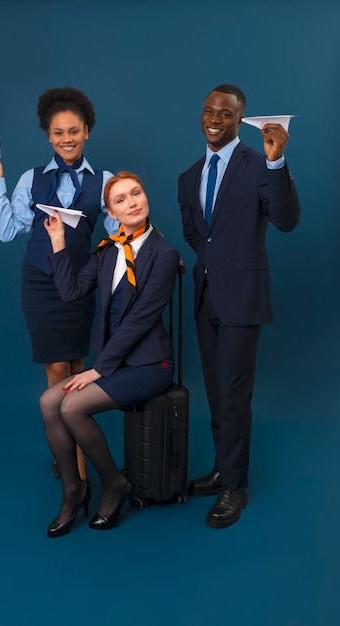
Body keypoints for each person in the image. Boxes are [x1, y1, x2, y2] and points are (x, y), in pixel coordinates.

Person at [177, 83, 300, 529]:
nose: (215, 119)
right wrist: (214, 264)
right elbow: (195, 235)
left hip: (243, 299)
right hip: (205, 296)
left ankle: (236, 487)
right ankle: (221, 469)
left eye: (225, 114)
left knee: (233, 394)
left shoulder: (259, 163)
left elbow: (286, 220)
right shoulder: (188, 177)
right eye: (209, 110)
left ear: (239, 119)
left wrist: (276, 161)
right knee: (215, 392)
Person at [0, 86, 118, 480]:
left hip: (79, 284)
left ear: (87, 131)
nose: (67, 139)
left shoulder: (104, 180)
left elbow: (118, 231)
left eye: (74, 130)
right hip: (40, 284)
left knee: (77, 367)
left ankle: (69, 446)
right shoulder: (31, 178)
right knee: (58, 371)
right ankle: (77, 472)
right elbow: (9, 231)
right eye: (58, 132)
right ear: (48, 135)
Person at [39, 171, 180, 537]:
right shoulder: (107, 250)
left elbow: (139, 321)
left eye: (137, 193)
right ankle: (74, 491)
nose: (133, 202)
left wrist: (98, 370)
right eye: (121, 199)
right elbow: (70, 293)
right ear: (111, 212)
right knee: (49, 401)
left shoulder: (164, 254)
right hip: (113, 365)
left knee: (71, 406)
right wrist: (58, 242)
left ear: (146, 198)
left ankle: (114, 483)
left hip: (150, 364)